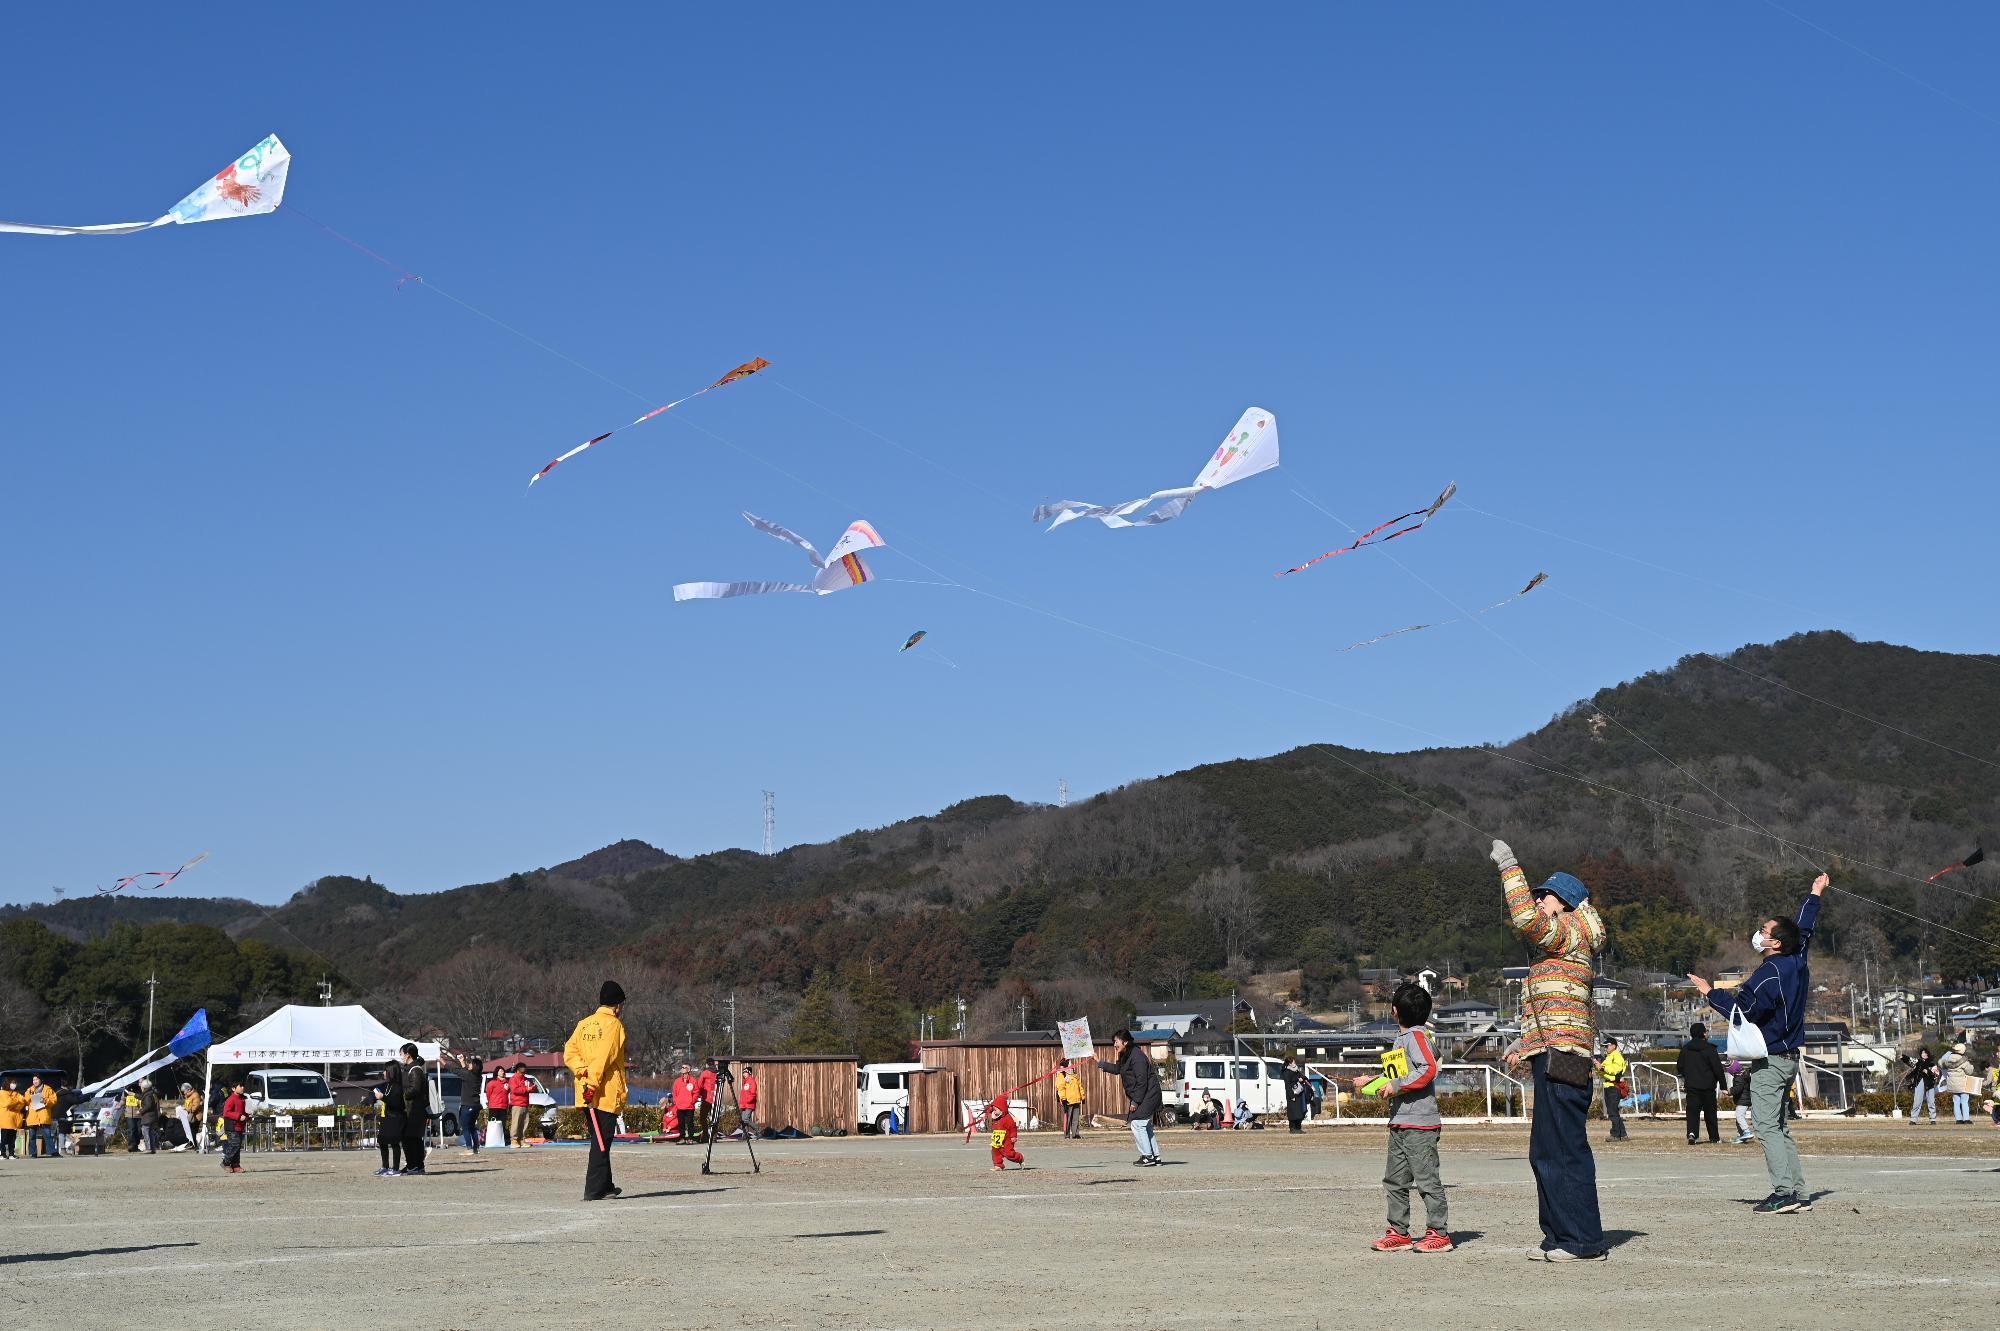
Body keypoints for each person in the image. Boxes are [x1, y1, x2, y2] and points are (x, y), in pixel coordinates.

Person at [1491, 839, 1608, 1261]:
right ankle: (1559, 1234)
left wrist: (1509, 865)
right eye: (1537, 893)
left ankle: (1581, 1240)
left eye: (1545, 895)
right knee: (1545, 1150)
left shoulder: (1570, 933)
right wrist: (1525, 1044)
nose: (1538, 900)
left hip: (1563, 1058)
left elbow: (1524, 918)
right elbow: (1562, 1010)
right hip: (1553, 1052)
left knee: (1562, 1147)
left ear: (1566, 904)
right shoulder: (1562, 948)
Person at [1690, 870, 1828, 1215]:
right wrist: (1814, 893)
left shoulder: (1770, 973)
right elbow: (1804, 929)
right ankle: (1798, 1191)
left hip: (1772, 1058)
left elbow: (1744, 1009)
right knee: (1779, 1126)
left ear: (1775, 942)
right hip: (1791, 1057)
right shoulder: (1797, 960)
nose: (1759, 934)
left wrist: (1710, 992)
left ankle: (1785, 1192)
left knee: (1766, 1127)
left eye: (1764, 932)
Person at [1355, 980, 1452, 1254]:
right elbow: (1397, 1077)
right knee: (1395, 1180)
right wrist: (1371, 1081)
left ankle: (1439, 1232)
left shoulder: (1417, 1037)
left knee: (1426, 1180)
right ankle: (1399, 1232)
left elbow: (1428, 1069)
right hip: (1399, 1121)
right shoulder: (1402, 1039)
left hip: (1420, 1124)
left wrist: (1395, 1085)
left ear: (1394, 1010)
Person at [563, 980, 628, 1202]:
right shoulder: (614, 1026)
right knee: (601, 1142)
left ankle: (606, 1185)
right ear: (617, 1005)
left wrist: (581, 1071)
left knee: (599, 1139)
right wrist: (592, 1084)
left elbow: (569, 1051)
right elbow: (603, 1059)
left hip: (584, 1090)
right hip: (603, 1092)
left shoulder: (584, 1024)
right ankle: (593, 1189)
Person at [1094, 1029, 1163, 1167]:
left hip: (1149, 1094)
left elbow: (1142, 1081)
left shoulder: (1137, 1057)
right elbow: (1117, 1069)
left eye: (1116, 1041)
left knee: (1138, 1124)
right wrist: (1099, 1062)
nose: (1114, 1044)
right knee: (1146, 1126)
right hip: (1145, 1094)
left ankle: (1147, 1157)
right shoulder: (1126, 1055)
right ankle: (1155, 1157)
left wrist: (1135, 1101)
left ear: (1125, 1042)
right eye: (1114, 1041)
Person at [1676, 1023, 1726, 1145]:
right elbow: (1717, 1069)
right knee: (1710, 1113)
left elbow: (1680, 1067)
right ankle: (1714, 1137)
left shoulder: (1686, 1049)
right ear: (1703, 1033)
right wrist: (1723, 1086)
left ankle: (1692, 1133)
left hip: (1692, 1086)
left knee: (1692, 1111)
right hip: (1708, 1086)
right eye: (1706, 1031)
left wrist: (1688, 1075)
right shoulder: (1710, 1049)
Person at [397, 1043, 430, 1176]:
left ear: (408, 1054)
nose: (401, 1057)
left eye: (401, 1054)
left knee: (412, 1139)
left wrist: (401, 1093)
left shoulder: (415, 1069)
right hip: (411, 1110)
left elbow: (415, 1089)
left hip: (415, 1111)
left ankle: (415, 1166)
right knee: (411, 1139)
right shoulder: (410, 1068)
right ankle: (414, 1165)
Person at [448, 1052, 484, 1154]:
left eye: (471, 1064)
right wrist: (462, 1062)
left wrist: (442, 1061)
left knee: (466, 1127)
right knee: (472, 1127)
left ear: (474, 1067)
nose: (469, 1065)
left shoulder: (468, 1075)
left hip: (468, 1105)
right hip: (476, 1105)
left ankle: (469, 1148)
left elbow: (455, 1070)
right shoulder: (478, 1077)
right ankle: (476, 1148)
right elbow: (465, 1072)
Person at [370, 1071, 404, 1177]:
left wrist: (382, 1097)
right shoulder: (386, 1085)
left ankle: (395, 1168)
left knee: (394, 1142)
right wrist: (374, 1096)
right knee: (382, 1140)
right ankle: (385, 1166)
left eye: (386, 1070)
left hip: (395, 1117)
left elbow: (395, 1102)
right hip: (385, 1116)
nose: (384, 1072)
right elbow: (377, 1093)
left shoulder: (397, 1086)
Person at [1597, 1037, 1629, 1142]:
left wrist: (1602, 1068)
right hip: (1609, 1086)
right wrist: (1598, 1067)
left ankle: (1615, 1135)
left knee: (1612, 1112)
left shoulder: (1617, 1056)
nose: (1606, 1048)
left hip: (1614, 1087)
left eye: (1607, 1046)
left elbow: (1616, 1070)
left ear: (1614, 1046)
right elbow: (1604, 1073)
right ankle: (1623, 1135)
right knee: (1614, 1111)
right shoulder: (1609, 1057)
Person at [982, 1096, 1025, 1170]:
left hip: (1007, 1139)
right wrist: (990, 1108)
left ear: (1002, 1109)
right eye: (993, 1110)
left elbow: (1013, 1127)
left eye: (996, 1110)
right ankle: (998, 1165)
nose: (994, 1112)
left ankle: (1020, 1157)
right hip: (997, 1138)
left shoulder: (1008, 1118)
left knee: (1009, 1154)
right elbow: (989, 1110)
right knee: (995, 1151)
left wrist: (1013, 1136)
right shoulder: (996, 1117)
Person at [1940, 1042, 1976, 1124]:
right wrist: (1972, 1066)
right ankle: (1966, 1119)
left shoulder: (1948, 1059)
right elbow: (1969, 1071)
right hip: (1962, 1084)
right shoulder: (1963, 1060)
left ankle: (1958, 1119)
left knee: (1956, 1102)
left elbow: (1941, 1064)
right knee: (1964, 1101)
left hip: (1952, 1084)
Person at [25, 1076, 57, 1159]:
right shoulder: (29, 1089)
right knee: (32, 1136)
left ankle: (52, 1152)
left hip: (43, 1115)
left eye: (36, 1079)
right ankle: (33, 1153)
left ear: (40, 1080)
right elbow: (25, 1101)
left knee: (47, 1135)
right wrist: (30, 1095)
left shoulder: (48, 1089)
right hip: (33, 1116)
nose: (35, 1081)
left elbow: (54, 1100)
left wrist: (45, 1101)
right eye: (33, 1080)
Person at [219, 1078, 247, 1174]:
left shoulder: (242, 1099)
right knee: (234, 1144)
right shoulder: (231, 1099)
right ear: (234, 1089)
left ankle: (236, 1165)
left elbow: (241, 1112)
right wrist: (239, 1117)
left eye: (243, 1086)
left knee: (237, 1146)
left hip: (239, 1126)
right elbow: (226, 1113)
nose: (243, 1087)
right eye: (240, 1086)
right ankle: (226, 1162)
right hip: (232, 1126)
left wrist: (247, 1116)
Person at [1905, 1048, 1939, 1125]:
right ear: (1920, 1054)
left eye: (1926, 1053)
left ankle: (1933, 1119)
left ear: (1928, 1054)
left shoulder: (1932, 1064)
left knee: (1931, 1102)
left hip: (1930, 1084)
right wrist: (1903, 1057)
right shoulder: (1917, 1062)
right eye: (1923, 1053)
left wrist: (1928, 1072)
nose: (1924, 1054)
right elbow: (1910, 1060)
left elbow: (1936, 1075)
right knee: (1917, 1101)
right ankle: (1913, 1119)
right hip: (1919, 1082)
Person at [1054, 1059, 1085, 1139]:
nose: (1072, 1064)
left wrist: (1083, 1096)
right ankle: (1067, 1134)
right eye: (1070, 1063)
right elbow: (1061, 1088)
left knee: (1075, 1119)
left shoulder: (1075, 1075)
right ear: (1066, 1065)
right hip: (1068, 1100)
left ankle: (1075, 1134)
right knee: (1067, 1119)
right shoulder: (1062, 1075)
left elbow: (1080, 1086)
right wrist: (1063, 1099)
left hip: (1076, 1099)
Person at [671, 1063, 700, 1144]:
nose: (683, 1071)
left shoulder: (693, 1080)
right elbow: (674, 1093)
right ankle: (682, 1138)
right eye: (682, 1069)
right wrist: (676, 1101)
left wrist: (692, 1101)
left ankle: (690, 1138)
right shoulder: (677, 1081)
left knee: (690, 1123)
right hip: (680, 1106)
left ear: (688, 1070)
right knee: (681, 1123)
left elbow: (696, 1092)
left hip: (689, 1107)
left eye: (684, 1068)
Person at [1728, 1060, 1755, 1144]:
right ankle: (1742, 1135)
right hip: (1744, 1099)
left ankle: (1747, 1132)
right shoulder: (1743, 1075)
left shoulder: (1739, 1078)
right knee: (1738, 1119)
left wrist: (1729, 1091)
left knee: (1739, 1116)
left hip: (1742, 1101)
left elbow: (1737, 1089)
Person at [1282, 1055, 1310, 1134]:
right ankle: (1292, 1128)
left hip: (1299, 1093)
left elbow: (1303, 1077)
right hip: (1292, 1094)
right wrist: (1291, 1096)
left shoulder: (1296, 1070)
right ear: (1290, 1063)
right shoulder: (1286, 1072)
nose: (1295, 1063)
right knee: (1293, 1112)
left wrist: (1303, 1079)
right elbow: (1287, 1085)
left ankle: (1298, 1127)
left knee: (1300, 1111)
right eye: (1293, 1061)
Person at [484, 1062, 511, 1145]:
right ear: (496, 1073)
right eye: (500, 1071)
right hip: (494, 1106)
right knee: (492, 1124)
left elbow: (508, 1093)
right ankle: (490, 1140)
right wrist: (491, 1102)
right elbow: (488, 1094)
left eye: (503, 1071)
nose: (502, 1072)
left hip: (503, 1106)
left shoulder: (507, 1083)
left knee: (502, 1124)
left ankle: (503, 1140)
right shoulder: (492, 1083)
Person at [507, 1064, 532, 1147]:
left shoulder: (526, 1079)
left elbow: (530, 1087)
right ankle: (514, 1140)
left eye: (524, 1072)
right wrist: (526, 1089)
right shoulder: (513, 1079)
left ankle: (521, 1139)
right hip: (516, 1104)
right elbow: (515, 1090)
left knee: (524, 1123)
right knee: (516, 1123)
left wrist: (532, 1088)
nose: (523, 1073)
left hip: (525, 1103)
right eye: (522, 1072)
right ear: (517, 1070)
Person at [0, 1078, 22, 1159]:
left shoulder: (16, 1093)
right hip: (5, 1118)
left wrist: (14, 1104)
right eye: (12, 1083)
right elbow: (7, 1103)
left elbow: (22, 1102)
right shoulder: (2, 1092)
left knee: (12, 1138)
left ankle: (11, 1154)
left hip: (14, 1118)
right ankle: (2, 1153)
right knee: (4, 1137)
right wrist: (16, 1101)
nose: (14, 1084)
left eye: (15, 1083)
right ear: (8, 1083)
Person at [176, 1082, 201, 1152]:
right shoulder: (188, 1096)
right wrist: (183, 1107)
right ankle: (192, 1144)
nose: (184, 1093)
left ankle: (195, 1145)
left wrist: (186, 1109)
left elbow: (195, 1107)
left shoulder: (195, 1095)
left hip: (195, 1117)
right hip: (189, 1115)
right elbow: (187, 1104)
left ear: (188, 1089)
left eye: (184, 1091)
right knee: (190, 1130)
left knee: (193, 1131)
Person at [697, 1060, 719, 1139]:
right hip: (716, 1098)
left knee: (703, 1117)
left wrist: (699, 1094)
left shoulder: (705, 1073)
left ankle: (705, 1134)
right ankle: (714, 1135)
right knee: (714, 1118)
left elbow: (699, 1085)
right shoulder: (717, 1073)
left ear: (707, 1064)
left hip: (706, 1098)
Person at [738, 1063, 759, 1135]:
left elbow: (753, 1093)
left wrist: (748, 1100)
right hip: (744, 1105)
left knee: (745, 1119)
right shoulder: (745, 1082)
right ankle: (745, 1134)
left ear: (749, 1073)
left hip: (749, 1104)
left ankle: (758, 1130)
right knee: (743, 1120)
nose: (744, 1074)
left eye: (745, 1072)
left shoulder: (751, 1081)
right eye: (743, 1072)